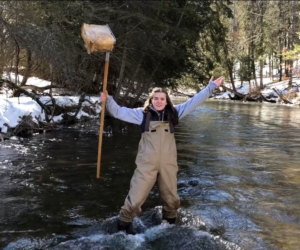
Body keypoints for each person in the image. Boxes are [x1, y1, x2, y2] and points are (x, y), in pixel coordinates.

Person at [100, 76, 224, 234]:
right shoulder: (142, 115)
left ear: (167, 101)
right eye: (156, 99)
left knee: (171, 201)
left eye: (162, 99)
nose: (159, 101)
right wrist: (107, 99)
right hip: (146, 165)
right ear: (151, 101)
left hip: (168, 165)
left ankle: (168, 229)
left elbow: (194, 102)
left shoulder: (174, 114)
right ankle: (123, 234)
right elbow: (118, 112)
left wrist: (210, 87)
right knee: (134, 200)